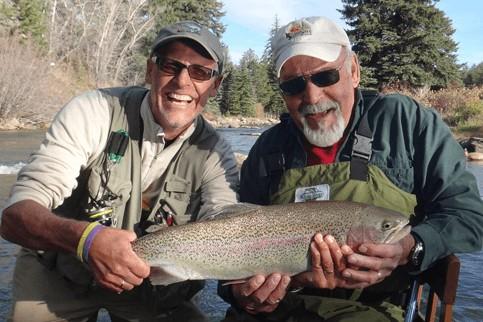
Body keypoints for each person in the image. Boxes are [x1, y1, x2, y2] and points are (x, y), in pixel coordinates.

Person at [218, 16, 483, 321]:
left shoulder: (407, 124)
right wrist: (244, 296)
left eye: (325, 76)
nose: (312, 96)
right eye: (293, 85)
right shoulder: (267, 148)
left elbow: (468, 217)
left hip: (376, 308)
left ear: (354, 71)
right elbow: (229, 255)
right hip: (278, 311)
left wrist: (410, 248)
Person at [0, 20, 238, 322]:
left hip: (148, 284)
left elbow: (228, 229)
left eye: (201, 72)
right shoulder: (95, 110)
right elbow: (16, 216)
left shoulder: (215, 154)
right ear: (150, 70)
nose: (182, 81)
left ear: (215, 85)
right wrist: (86, 240)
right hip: (61, 271)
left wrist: (256, 282)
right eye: (170, 66)